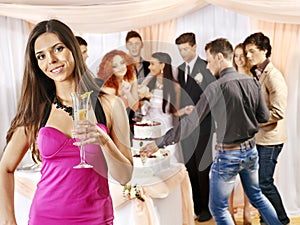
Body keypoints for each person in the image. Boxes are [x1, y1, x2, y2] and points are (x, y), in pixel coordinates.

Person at [0, 19, 133, 225]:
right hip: (45, 217)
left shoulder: (110, 104)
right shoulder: (38, 110)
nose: (51, 60)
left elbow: (125, 177)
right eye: (41, 56)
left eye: (58, 49)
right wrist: (8, 221)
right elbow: (5, 167)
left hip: (96, 218)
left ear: (73, 50)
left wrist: (104, 141)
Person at [140, 37, 282, 225]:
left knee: (218, 208)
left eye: (209, 60)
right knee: (257, 197)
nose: (207, 66)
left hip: (229, 154)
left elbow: (191, 123)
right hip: (250, 152)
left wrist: (159, 143)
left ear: (220, 58)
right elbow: (263, 117)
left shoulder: (215, 87)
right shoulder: (251, 82)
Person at [243, 32, 290, 225]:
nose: (247, 56)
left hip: (272, 139)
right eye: (246, 52)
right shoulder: (258, 72)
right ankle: (266, 220)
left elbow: (278, 112)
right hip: (261, 138)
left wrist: (253, 121)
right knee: (258, 184)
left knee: (264, 183)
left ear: (264, 50)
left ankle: (282, 220)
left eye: (251, 51)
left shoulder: (274, 75)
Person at [174, 32, 216, 222]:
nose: (182, 53)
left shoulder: (206, 67)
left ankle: (207, 208)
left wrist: (198, 111)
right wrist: (180, 110)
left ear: (194, 47)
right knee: (190, 166)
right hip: (185, 126)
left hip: (203, 125)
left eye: (185, 49)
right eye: (180, 50)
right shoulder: (179, 70)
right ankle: (197, 206)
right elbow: (176, 97)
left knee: (202, 167)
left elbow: (214, 95)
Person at [228, 43, 253, 225]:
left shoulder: (254, 78)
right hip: (229, 135)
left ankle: (246, 215)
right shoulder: (228, 78)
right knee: (228, 179)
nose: (239, 59)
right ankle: (229, 214)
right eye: (236, 56)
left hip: (249, 137)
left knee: (248, 181)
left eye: (242, 55)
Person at [140, 52, 181, 161]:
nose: (149, 67)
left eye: (153, 64)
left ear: (162, 65)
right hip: (149, 129)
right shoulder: (149, 83)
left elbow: (175, 113)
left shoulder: (175, 86)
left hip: (165, 129)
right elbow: (138, 99)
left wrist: (185, 111)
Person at [97, 49, 139, 135]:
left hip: (128, 122)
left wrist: (127, 92)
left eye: (122, 63)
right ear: (109, 70)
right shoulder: (108, 88)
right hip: (112, 126)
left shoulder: (131, 78)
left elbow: (135, 107)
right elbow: (107, 117)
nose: (121, 67)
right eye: (115, 66)